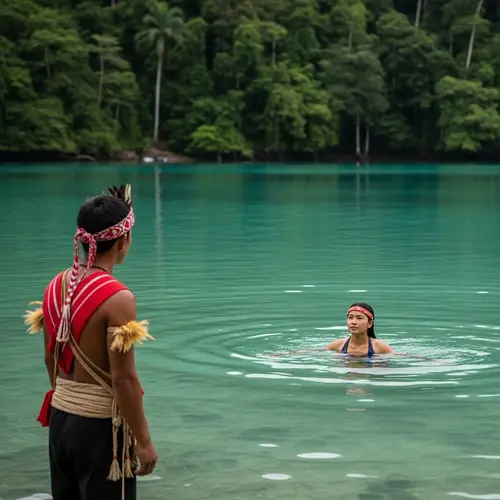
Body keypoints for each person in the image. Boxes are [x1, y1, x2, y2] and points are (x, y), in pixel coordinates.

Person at [24, 184, 157, 500]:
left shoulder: (56, 285)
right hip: (100, 431)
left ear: (83, 240)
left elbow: (50, 359)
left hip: (60, 421)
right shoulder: (118, 298)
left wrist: (69, 403)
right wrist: (143, 441)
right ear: (123, 241)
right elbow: (124, 379)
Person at [327, 302, 393, 357]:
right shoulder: (336, 345)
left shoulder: (381, 348)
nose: (353, 322)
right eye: (350, 317)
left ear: (370, 323)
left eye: (359, 318)